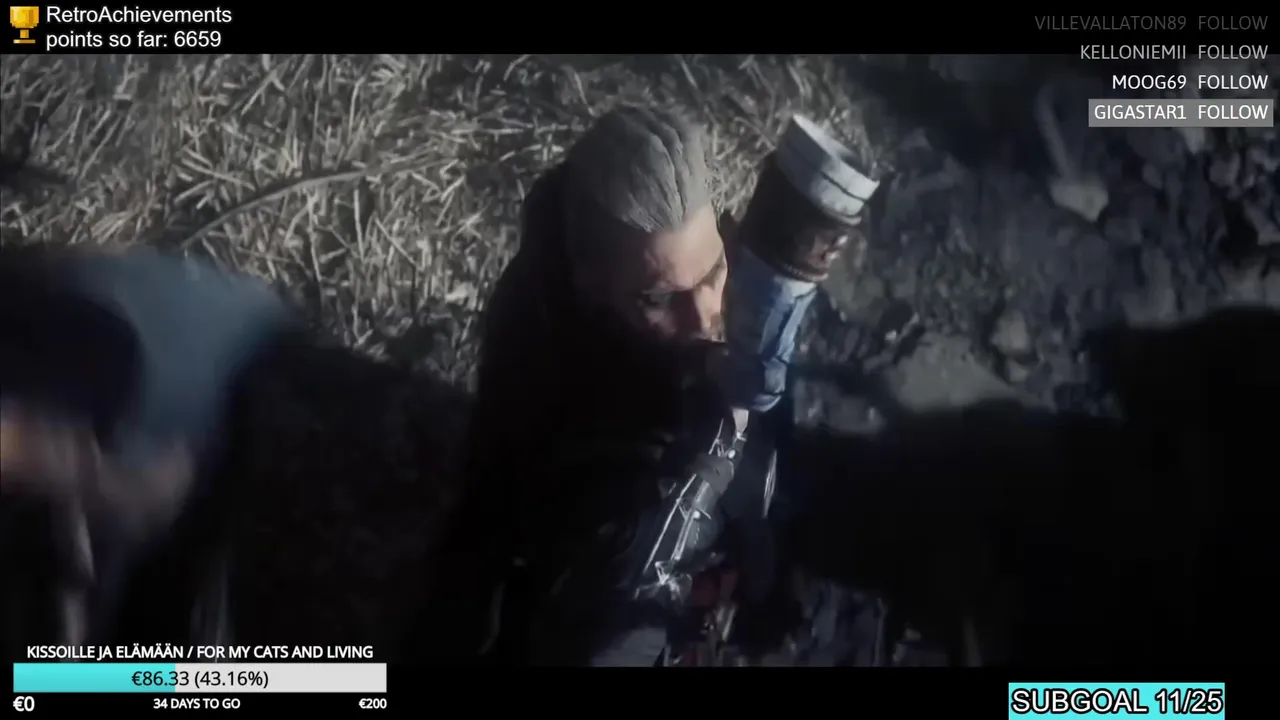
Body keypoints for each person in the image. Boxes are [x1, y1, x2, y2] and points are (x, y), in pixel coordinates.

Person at [415, 105, 869, 665]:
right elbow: (492, 520)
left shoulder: (706, 289)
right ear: (592, 287)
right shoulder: (538, 353)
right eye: (659, 299)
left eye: (714, 272)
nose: (705, 315)